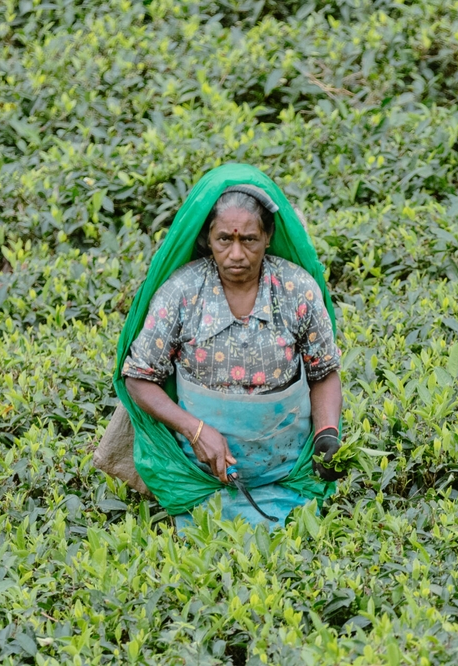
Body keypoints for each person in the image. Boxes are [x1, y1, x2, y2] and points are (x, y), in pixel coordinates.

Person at [119, 170, 345, 529]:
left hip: (285, 475)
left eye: (250, 239)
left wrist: (327, 434)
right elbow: (138, 379)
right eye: (225, 239)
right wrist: (195, 431)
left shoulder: (297, 290)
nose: (236, 254)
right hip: (200, 479)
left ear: (269, 236)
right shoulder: (181, 293)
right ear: (208, 238)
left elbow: (324, 372)